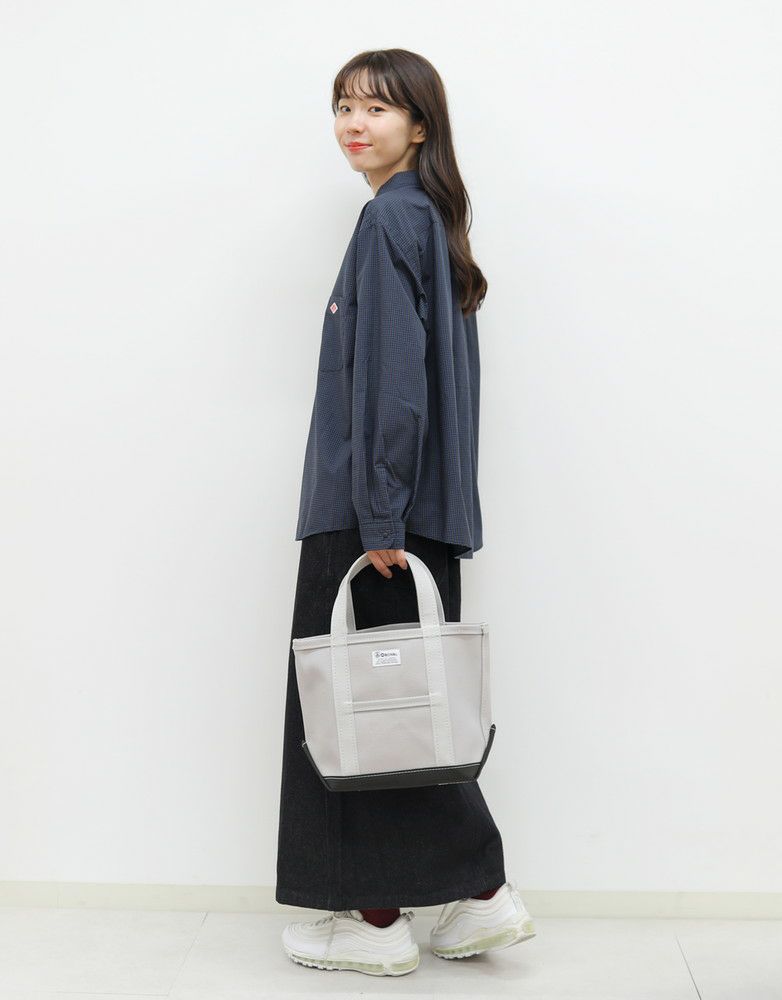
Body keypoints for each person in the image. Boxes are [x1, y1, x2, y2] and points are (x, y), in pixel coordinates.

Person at [276, 48, 536, 977]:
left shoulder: (391, 218)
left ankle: (410, 910)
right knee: (393, 712)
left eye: (379, 108)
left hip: (375, 513)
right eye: (344, 105)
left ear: (420, 127)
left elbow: (392, 385)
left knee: (361, 714)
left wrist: (379, 516)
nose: (355, 123)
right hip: (412, 509)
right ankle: (448, 904)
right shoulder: (427, 218)